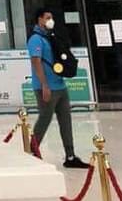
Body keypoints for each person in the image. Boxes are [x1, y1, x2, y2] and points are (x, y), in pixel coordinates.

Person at [27, 9, 89, 169]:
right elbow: (36, 62)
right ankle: (31, 151)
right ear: (40, 19)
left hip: (60, 85)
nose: (51, 20)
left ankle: (70, 155)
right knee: (45, 118)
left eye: (51, 17)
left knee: (65, 120)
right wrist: (44, 85)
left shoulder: (50, 37)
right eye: (48, 17)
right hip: (46, 87)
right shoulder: (35, 39)